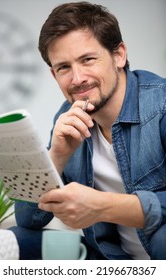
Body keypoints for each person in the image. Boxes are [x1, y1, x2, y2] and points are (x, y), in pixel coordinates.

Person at [10, 1, 166, 260]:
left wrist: (101, 206)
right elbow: (29, 219)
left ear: (119, 55)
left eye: (88, 60)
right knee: (16, 238)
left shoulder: (160, 105)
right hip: (110, 260)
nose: (78, 78)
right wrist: (56, 156)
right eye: (64, 68)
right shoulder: (67, 117)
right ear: (53, 74)